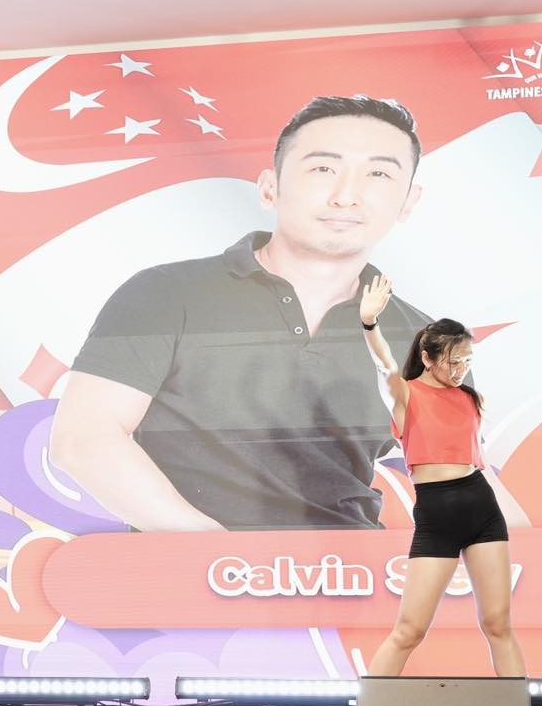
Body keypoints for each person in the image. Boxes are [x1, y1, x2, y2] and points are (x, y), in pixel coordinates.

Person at [51, 95, 435, 531]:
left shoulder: (423, 339)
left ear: (408, 201)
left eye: (379, 173)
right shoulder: (165, 294)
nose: (347, 195)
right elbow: (84, 439)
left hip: (351, 582)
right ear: (269, 187)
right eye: (323, 168)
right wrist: (228, 561)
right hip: (192, 580)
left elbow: (461, 476)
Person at [337, 286, 542, 706]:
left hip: (479, 505)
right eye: (451, 361)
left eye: (466, 360)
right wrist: (370, 324)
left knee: (498, 623)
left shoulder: (469, 399)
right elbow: (386, 365)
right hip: (435, 512)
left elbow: (481, 463)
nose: (459, 369)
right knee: (409, 629)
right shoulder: (405, 395)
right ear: (428, 358)